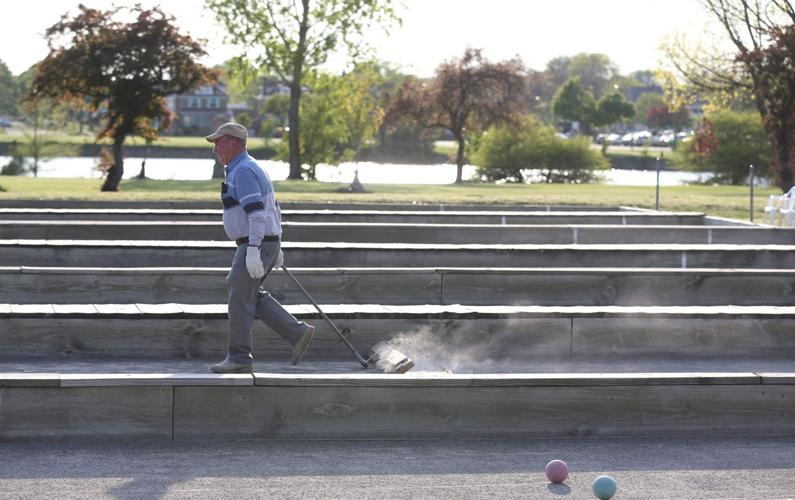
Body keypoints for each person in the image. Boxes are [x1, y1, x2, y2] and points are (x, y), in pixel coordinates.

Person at [206, 122, 315, 373]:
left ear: (234, 142)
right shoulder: (247, 167)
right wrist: (276, 244)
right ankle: (297, 333)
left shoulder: (243, 170)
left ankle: (239, 358)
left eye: (219, 143)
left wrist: (255, 247)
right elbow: (274, 208)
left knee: (239, 298)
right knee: (248, 294)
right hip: (264, 242)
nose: (215, 149)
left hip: (256, 243)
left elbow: (257, 214)